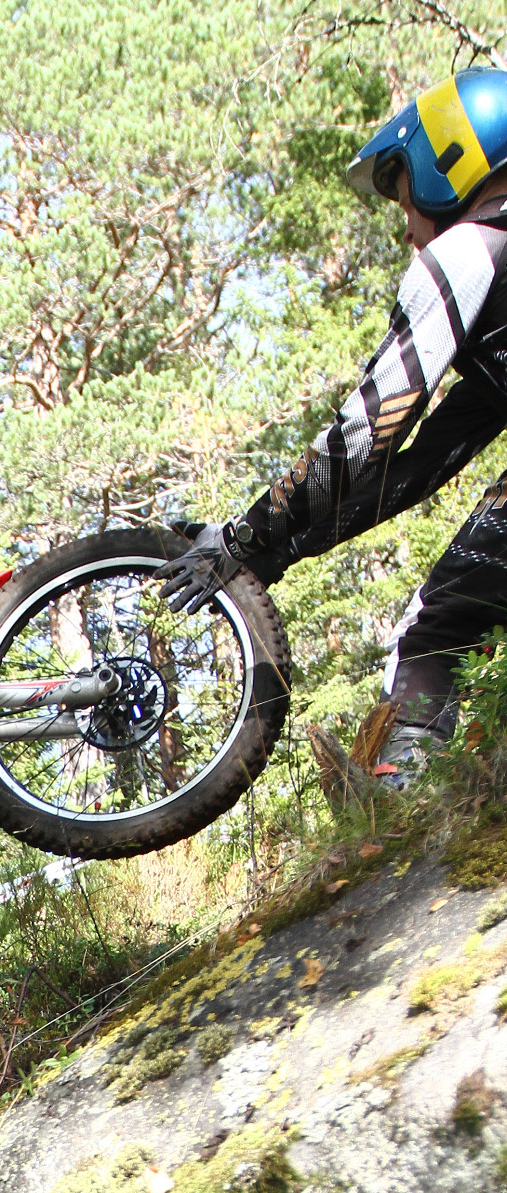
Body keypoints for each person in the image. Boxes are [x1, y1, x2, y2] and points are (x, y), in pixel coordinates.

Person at [165, 70, 507, 791]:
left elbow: (365, 436)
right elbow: (421, 466)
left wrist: (242, 537)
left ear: (450, 161)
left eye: (403, 193)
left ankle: (400, 815)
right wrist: (286, 546)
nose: (405, 225)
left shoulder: (469, 251)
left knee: (436, 631)